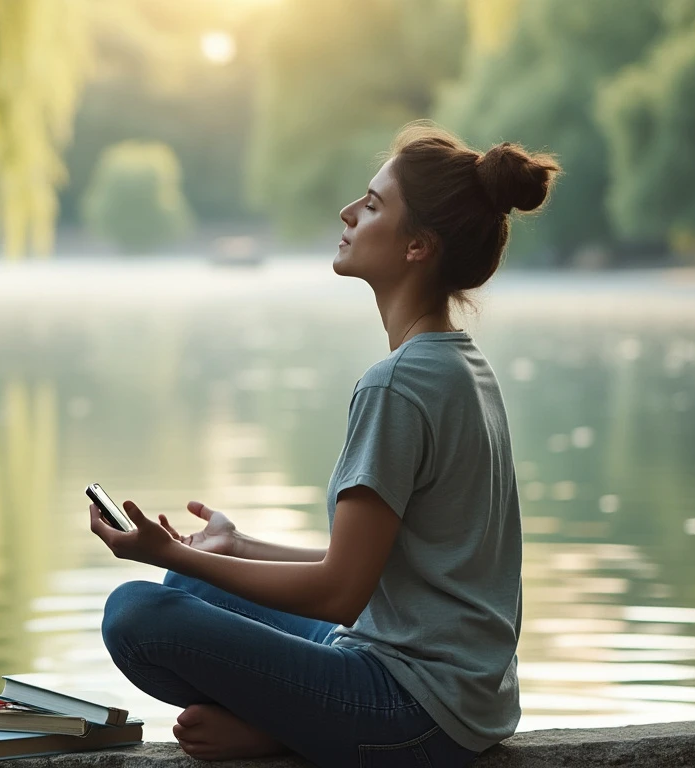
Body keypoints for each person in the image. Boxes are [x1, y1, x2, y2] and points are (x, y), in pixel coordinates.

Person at [89, 121, 560, 767]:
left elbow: (341, 595)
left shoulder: (397, 385)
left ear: (417, 245)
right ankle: (295, 722)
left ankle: (286, 730)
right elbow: (385, 569)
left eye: (372, 205)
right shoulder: (460, 365)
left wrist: (167, 551)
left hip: (417, 713)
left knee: (135, 614)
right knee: (190, 586)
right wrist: (238, 546)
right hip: (461, 695)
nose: (348, 211)